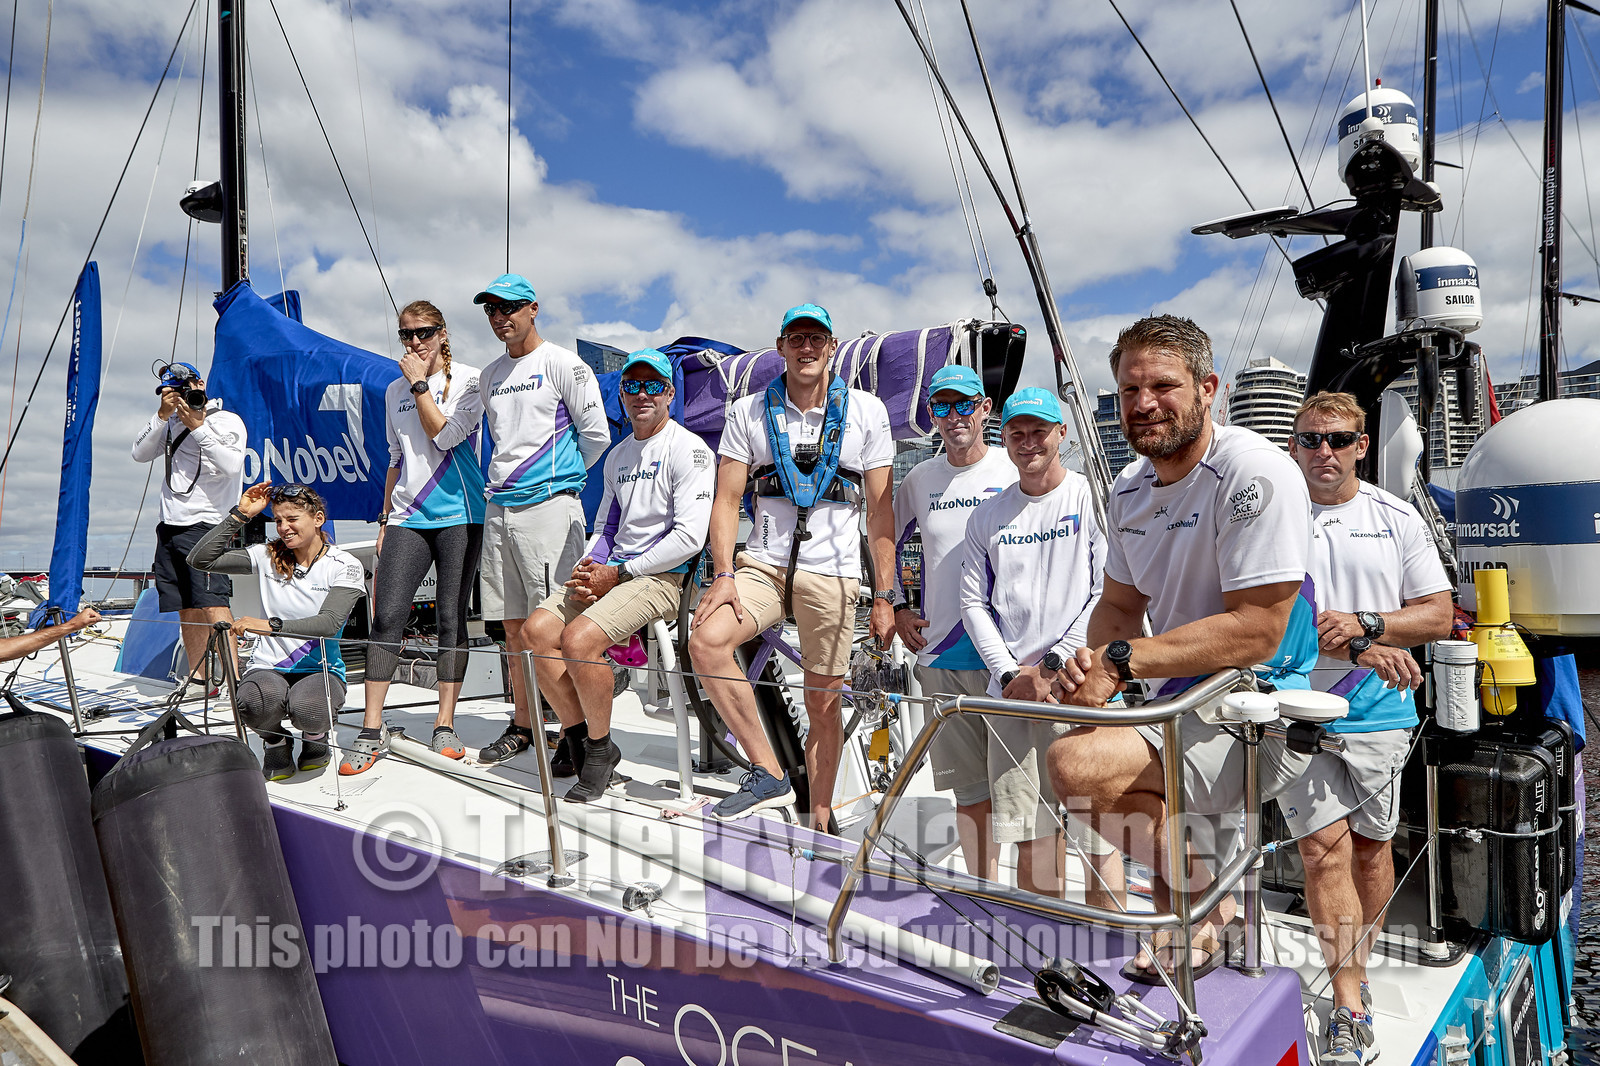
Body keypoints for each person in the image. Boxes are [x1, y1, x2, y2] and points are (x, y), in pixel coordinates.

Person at [1048, 314, 1317, 983]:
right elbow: (1117, 605)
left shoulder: (1254, 473)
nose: (1143, 404)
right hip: (1178, 693)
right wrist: (1095, 678)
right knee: (1091, 763)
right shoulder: (1130, 488)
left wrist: (1120, 663)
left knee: (1077, 769)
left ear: (1208, 389)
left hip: (1259, 700)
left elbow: (1257, 627)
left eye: (1162, 385)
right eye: (1129, 390)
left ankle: (1209, 911)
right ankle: (1193, 920)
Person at [1283, 391, 1453, 1066]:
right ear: (1292, 449)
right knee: (1322, 849)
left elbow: (1438, 615)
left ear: (1361, 445)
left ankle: (1360, 957)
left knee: (1372, 850)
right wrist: (1353, 644)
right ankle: (1349, 997)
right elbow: (1270, 622)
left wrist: (1369, 626)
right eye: (1309, 440)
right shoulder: (1274, 521)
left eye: (1337, 439)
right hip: (1296, 706)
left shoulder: (1395, 518)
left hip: (1380, 711)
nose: (1323, 451)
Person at [688, 303, 896, 827]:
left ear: (831, 347)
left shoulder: (867, 412)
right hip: (762, 566)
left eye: (816, 339)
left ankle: (819, 820)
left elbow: (881, 510)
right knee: (705, 641)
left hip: (833, 571)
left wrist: (887, 596)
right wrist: (724, 574)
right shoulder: (750, 411)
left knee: (822, 703)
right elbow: (726, 498)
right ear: (780, 347)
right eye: (796, 338)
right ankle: (768, 771)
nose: (807, 348)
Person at [957, 387, 1125, 904]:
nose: (1028, 443)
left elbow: (1106, 594)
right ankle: (1047, 960)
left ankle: (1109, 952)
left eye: (1039, 431)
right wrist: (1010, 676)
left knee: (1101, 841)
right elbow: (972, 603)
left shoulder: (1093, 499)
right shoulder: (987, 516)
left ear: (1062, 434)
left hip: (1082, 687)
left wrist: (1050, 667)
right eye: (1017, 433)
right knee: (1031, 839)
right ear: (1003, 438)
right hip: (1012, 699)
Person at [528, 348, 715, 802]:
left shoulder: (690, 450)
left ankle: (595, 751)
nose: (642, 394)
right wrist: (591, 565)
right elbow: (606, 528)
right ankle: (582, 739)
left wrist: (620, 572)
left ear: (670, 393)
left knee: (578, 641)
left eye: (653, 386)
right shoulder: (617, 457)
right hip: (618, 570)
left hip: (664, 578)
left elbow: (690, 539)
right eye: (632, 385)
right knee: (535, 632)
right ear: (623, 396)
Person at [342, 300, 487, 775]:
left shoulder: (469, 380)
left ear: (442, 333)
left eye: (423, 333)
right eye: (405, 335)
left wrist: (420, 382)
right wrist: (383, 520)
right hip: (408, 516)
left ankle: (444, 724)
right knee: (387, 617)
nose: (414, 342)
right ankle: (370, 727)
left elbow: (443, 436)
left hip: (461, 513)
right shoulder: (391, 391)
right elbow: (394, 458)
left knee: (450, 617)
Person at [470, 274, 609, 765]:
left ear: (533, 308)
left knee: (551, 628)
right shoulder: (488, 376)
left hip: (549, 508)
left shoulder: (564, 365)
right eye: (491, 310)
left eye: (509, 307)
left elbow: (595, 439)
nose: (499, 317)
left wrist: (558, 484)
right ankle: (524, 725)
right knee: (511, 627)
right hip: (498, 510)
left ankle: (575, 734)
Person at [892, 364, 1016, 877]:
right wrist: (897, 603)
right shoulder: (919, 480)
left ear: (985, 409)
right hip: (941, 651)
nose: (954, 416)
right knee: (969, 790)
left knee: (1019, 793)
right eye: (941, 407)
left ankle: (1027, 896)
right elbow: (891, 541)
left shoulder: (1014, 468)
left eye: (964, 404)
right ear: (931, 417)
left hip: (1010, 654)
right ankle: (984, 887)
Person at [189, 483, 365, 781]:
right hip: (268, 667)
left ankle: (316, 738)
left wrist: (269, 627)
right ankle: (275, 741)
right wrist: (240, 515)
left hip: (320, 668)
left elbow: (329, 623)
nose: (283, 527)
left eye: (292, 519)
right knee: (254, 702)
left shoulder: (344, 565)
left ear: (318, 519)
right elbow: (200, 559)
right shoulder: (266, 555)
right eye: (278, 520)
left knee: (309, 709)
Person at [130, 361, 246, 687]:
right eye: (171, 392)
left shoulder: (224, 420)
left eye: (183, 390)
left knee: (213, 604)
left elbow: (232, 465)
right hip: (169, 524)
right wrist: (162, 415)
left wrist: (197, 425)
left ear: (199, 384)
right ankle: (200, 681)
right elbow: (139, 453)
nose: (179, 397)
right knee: (186, 608)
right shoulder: (167, 423)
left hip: (207, 524)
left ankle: (235, 685)